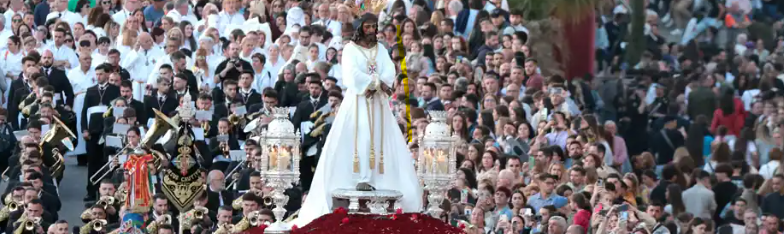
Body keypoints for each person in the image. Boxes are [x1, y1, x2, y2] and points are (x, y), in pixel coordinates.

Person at [294, 13, 423, 226]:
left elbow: (389, 70)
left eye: (374, 26)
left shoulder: (380, 48)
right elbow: (351, 74)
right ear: (360, 28)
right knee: (360, 136)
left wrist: (381, 83)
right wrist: (374, 83)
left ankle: (378, 178)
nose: (371, 30)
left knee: (380, 139)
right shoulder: (351, 49)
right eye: (367, 26)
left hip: (378, 104)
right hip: (358, 102)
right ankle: (361, 178)